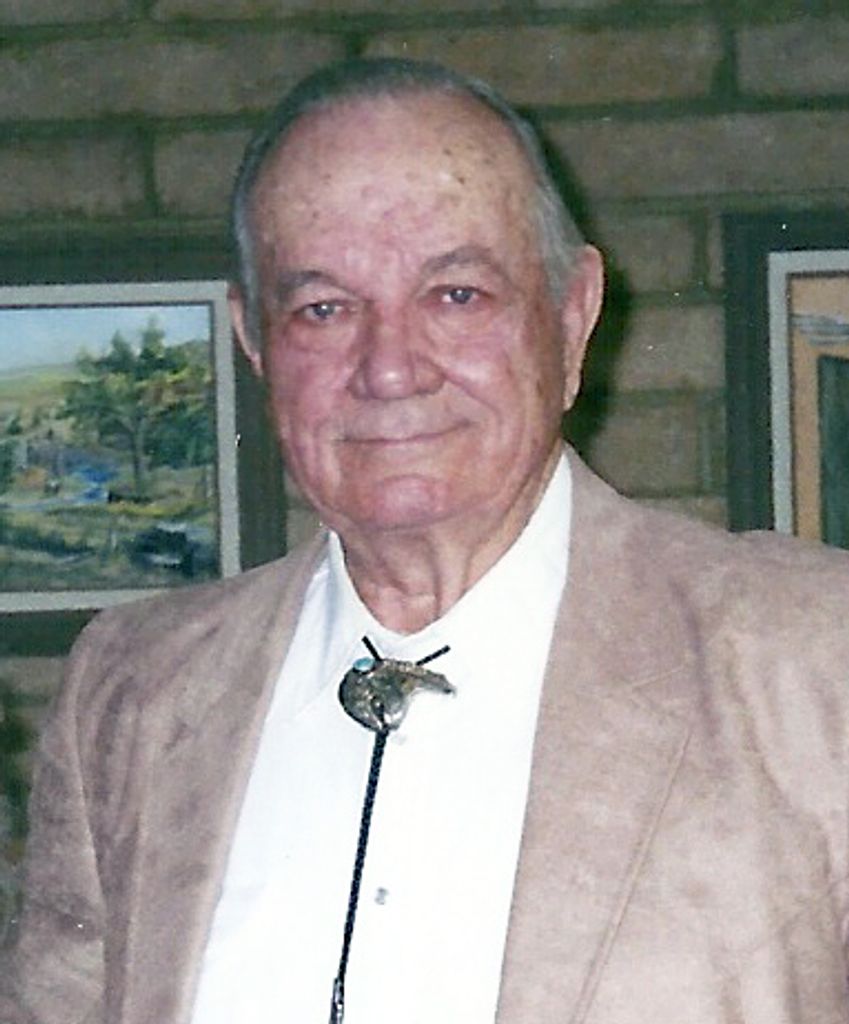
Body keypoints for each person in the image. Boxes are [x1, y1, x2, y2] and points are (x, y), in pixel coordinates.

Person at [2, 57, 849, 1024]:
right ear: (254, 342)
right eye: (323, 309)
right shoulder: (132, 690)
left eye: (456, 294)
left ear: (571, 317)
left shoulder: (813, 663)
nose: (390, 369)